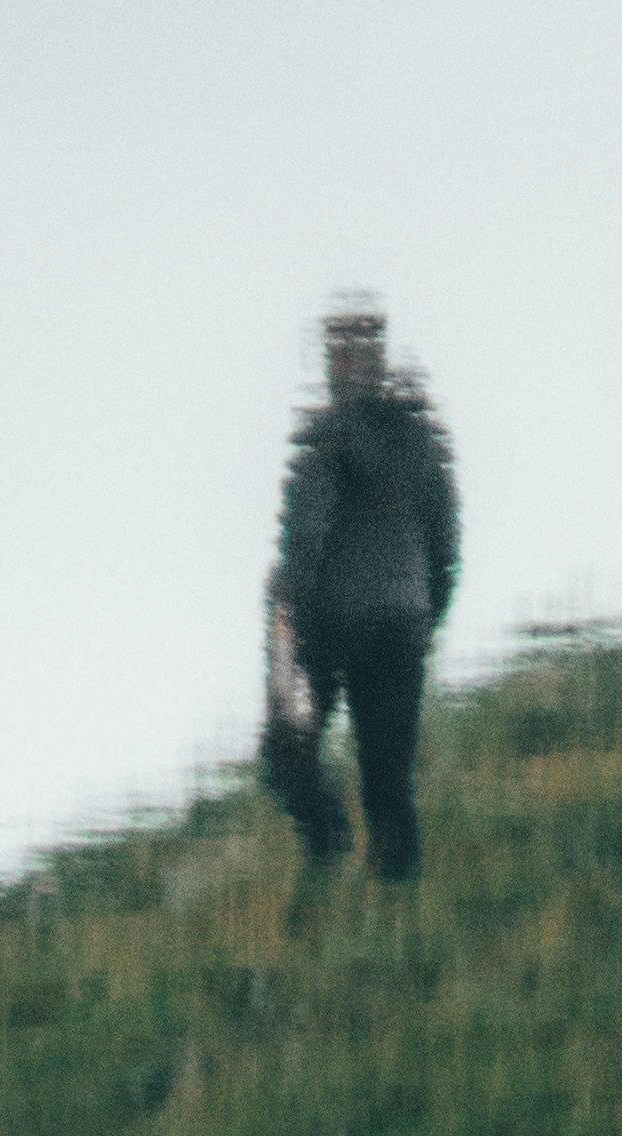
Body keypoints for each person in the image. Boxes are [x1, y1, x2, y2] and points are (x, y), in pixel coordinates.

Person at [261, 302, 459, 886]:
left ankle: (328, 846)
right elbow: (446, 546)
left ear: (335, 363)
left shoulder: (326, 440)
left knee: (285, 752)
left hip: (330, 622)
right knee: (389, 776)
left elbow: (307, 537)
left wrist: (284, 614)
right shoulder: (423, 440)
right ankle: (397, 911)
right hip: (404, 621)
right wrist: (425, 618)